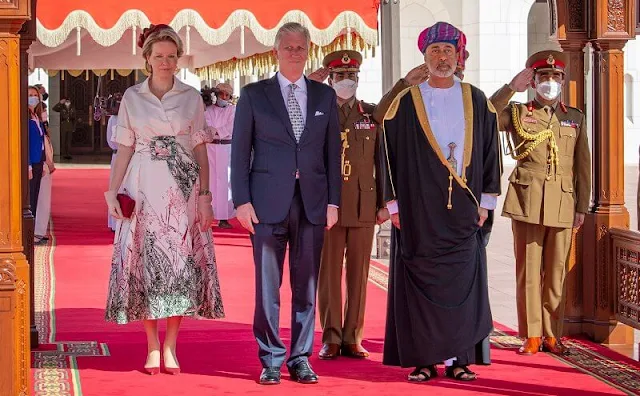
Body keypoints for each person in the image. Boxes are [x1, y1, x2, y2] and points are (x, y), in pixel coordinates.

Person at [381, 21, 501, 382]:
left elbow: (490, 151)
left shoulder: (477, 99)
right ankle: (423, 359)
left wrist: (486, 201)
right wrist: (393, 204)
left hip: (464, 209)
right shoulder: (406, 101)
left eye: (448, 50)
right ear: (424, 57)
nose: (442, 57)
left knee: (464, 283)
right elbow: (385, 151)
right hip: (418, 210)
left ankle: (460, 359)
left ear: (459, 56)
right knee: (421, 283)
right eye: (435, 51)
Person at [103, 24, 224, 375]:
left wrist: (205, 197)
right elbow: (125, 147)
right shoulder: (132, 97)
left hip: (182, 190)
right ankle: (152, 345)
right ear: (147, 59)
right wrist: (113, 190)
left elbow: (200, 149)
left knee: (178, 264)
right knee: (145, 261)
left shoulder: (190, 97)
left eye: (172, 56)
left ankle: (171, 344)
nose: (166, 62)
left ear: (178, 59)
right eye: (160, 56)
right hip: (142, 186)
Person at [231, 22, 341, 385]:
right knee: (268, 286)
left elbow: (332, 155)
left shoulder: (324, 97)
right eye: (288, 47)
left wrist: (333, 203)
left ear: (307, 52)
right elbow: (239, 151)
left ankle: (301, 357)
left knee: (306, 285)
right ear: (276, 51)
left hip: (312, 203)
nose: (294, 53)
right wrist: (242, 200)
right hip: (265, 205)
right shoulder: (253, 95)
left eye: (300, 47)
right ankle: (271, 359)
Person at [309, 51, 429, 360]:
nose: (345, 82)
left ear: (358, 80)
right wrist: (309, 84)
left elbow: (383, 161)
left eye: (351, 77)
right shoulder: (318, 112)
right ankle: (331, 336)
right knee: (329, 275)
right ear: (330, 79)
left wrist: (385, 204)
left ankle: (353, 336)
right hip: (329, 207)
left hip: (364, 204)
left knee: (359, 275)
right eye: (339, 77)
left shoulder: (370, 115)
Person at [489, 50, 591, 356]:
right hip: (527, 200)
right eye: (543, 77)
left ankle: (551, 334)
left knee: (556, 272)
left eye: (554, 77)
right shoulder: (519, 112)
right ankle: (531, 335)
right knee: (529, 271)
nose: (549, 82)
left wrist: (581, 207)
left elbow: (582, 165)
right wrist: (510, 88)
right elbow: (487, 115)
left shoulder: (573, 117)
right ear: (534, 81)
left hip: (562, 201)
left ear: (562, 81)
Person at [205, 82, 236, 229]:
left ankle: (225, 217)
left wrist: (217, 131)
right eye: (221, 94)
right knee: (211, 181)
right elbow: (207, 127)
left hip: (227, 148)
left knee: (226, 182)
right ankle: (210, 214)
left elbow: (231, 127)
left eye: (227, 95)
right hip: (210, 148)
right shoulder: (209, 110)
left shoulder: (233, 110)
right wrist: (216, 131)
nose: (224, 97)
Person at [28, 86, 46, 237]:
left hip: (39, 161)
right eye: (29, 95)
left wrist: (44, 161)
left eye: (35, 95)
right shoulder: (24, 116)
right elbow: (23, 143)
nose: (33, 97)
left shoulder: (36, 115)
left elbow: (41, 141)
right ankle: (28, 233)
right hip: (31, 164)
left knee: (35, 196)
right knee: (30, 198)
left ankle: (32, 231)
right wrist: (27, 165)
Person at [105, 93, 122, 232]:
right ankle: (115, 222)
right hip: (118, 156)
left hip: (132, 157)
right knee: (115, 187)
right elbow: (110, 140)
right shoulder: (113, 119)